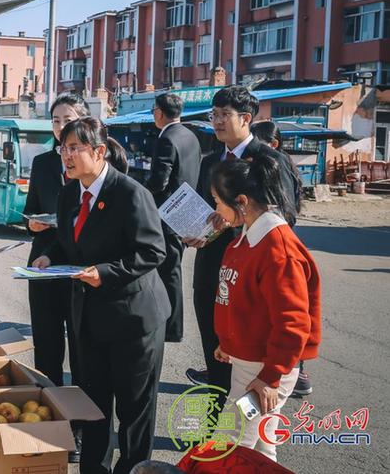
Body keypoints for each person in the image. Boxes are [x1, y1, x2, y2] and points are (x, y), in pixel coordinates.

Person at [32, 117, 170, 474]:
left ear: (99, 151)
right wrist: (51, 256)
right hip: (88, 319)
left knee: (133, 410)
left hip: (133, 320)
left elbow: (153, 251)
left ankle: (133, 469)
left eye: (75, 148)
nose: (67, 156)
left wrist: (105, 272)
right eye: (64, 148)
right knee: (93, 405)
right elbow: (69, 242)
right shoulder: (69, 193)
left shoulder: (129, 193)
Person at [183, 87, 300, 399]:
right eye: (214, 114)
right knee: (214, 354)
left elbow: (285, 218)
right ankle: (215, 432)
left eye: (224, 115)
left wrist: (236, 223)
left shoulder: (269, 160)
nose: (217, 121)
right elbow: (204, 211)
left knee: (246, 358)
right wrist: (196, 230)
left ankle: (243, 435)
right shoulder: (210, 162)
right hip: (210, 270)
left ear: (246, 118)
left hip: (250, 276)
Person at [211, 156, 321, 462]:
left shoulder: (277, 249)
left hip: (265, 370)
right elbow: (240, 300)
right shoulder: (247, 237)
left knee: (229, 445)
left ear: (242, 201)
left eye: (218, 201)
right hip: (250, 364)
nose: (216, 209)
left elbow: (293, 323)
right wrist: (229, 344)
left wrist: (271, 377)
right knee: (261, 447)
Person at [24, 93, 88, 463]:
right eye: (56, 121)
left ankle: (79, 429)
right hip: (44, 265)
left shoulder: (96, 161)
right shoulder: (44, 163)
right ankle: (49, 422)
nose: (61, 127)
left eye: (68, 119)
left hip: (80, 267)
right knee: (47, 349)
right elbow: (32, 211)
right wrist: (32, 222)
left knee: (82, 352)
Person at [250, 120, 312, 398]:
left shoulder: (275, 166)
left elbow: (294, 319)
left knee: (280, 310)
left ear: (272, 145)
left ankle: (294, 371)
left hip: (275, 247)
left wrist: (274, 373)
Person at [146, 92, 201, 343]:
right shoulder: (191, 135)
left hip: (168, 216)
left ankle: (172, 327)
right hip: (188, 211)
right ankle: (171, 324)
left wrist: (141, 192)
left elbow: (160, 181)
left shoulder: (166, 138)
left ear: (159, 112)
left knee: (168, 272)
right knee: (172, 271)